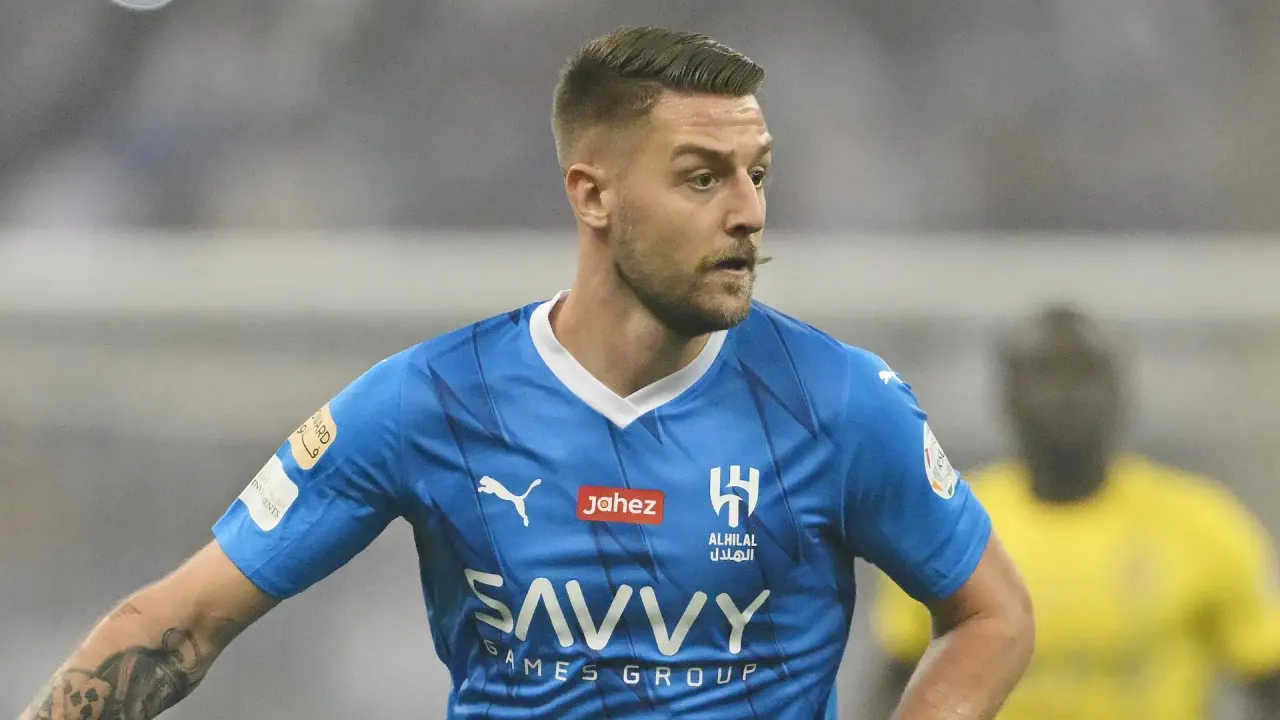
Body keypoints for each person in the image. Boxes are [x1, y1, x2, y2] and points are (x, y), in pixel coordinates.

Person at [18, 27, 1034, 720]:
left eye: (756, 173)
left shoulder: (837, 402)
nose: (748, 212)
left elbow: (991, 613)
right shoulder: (430, 401)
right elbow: (181, 621)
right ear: (592, 195)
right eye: (702, 177)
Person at [869, 304, 1280, 720]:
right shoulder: (945, 528)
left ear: (1122, 392)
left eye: (1087, 373)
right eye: (1045, 373)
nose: (1067, 395)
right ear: (1008, 394)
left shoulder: (1202, 524)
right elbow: (896, 680)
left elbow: (1268, 678)